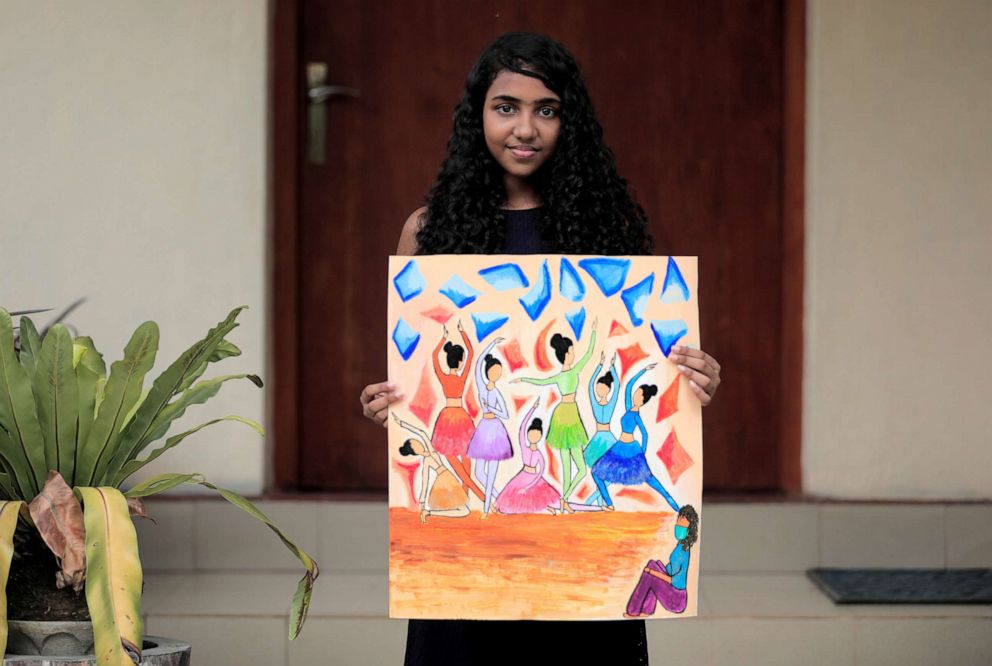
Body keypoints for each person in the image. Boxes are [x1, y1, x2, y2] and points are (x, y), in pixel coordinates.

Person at [357, 31, 722, 666]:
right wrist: (386, 401)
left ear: (568, 121)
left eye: (546, 110)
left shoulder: (608, 231)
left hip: (581, 581)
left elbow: (640, 365)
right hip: (465, 578)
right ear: (478, 117)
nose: (525, 128)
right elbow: (413, 373)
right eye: (506, 107)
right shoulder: (429, 230)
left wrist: (692, 378)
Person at [510, 324, 597, 513]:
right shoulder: (567, 374)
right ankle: (564, 502)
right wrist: (524, 380)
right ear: (566, 355)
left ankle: (564, 499)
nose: (574, 355)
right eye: (572, 352)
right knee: (568, 466)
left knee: (580, 468)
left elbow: (589, 353)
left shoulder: (567, 373)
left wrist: (594, 332)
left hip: (569, 414)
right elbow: (540, 381)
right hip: (565, 415)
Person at [591, 363, 681, 513]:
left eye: (639, 395)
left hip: (632, 450)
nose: (635, 395)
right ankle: (609, 504)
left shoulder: (636, 415)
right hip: (619, 447)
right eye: (636, 393)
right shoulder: (628, 407)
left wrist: (642, 453)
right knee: (596, 472)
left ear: (643, 400)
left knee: (653, 482)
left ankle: (678, 509)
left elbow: (645, 434)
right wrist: (643, 371)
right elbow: (628, 387)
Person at [494, 398, 604, 515]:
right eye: (532, 434)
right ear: (528, 434)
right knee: (510, 503)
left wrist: (530, 485)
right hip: (522, 477)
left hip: (535, 479)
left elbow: (540, 471)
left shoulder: (539, 455)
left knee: (538, 500)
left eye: (537, 435)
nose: (534, 436)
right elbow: (522, 427)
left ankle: (551, 508)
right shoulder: (524, 447)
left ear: (540, 436)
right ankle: (546, 508)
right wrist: (532, 409)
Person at [430, 320, 486, 502]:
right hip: (460, 416)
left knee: (456, 455)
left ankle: (468, 491)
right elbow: (471, 354)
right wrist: (463, 334)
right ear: (459, 362)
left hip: (448, 416)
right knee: (464, 454)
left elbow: (433, 356)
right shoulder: (461, 377)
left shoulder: (444, 377)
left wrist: (443, 339)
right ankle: (470, 492)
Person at [465, 338, 513, 518]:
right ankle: (499, 499)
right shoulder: (483, 387)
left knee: (491, 473)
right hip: (484, 428)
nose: (497, 374)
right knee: (479, 473)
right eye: (494, 371)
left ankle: (487, 510)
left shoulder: (496, 393)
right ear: (488, 372)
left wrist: (492, 408)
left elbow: (506, 414)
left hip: (495, 429)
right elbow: (478, 365)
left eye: (499, 371)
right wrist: (491, 344)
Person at [393, 413, 471, 522]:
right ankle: (429, 512)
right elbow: (425, 482)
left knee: (464, 509)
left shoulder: (430, 451)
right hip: (445, 480)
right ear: (414, 450)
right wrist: (422, 501)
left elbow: (421, 433)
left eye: (417, 441)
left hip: (448, 476)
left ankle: (429, 513)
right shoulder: (427, 460)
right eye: (415, 443)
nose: (419, 442)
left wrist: (402, 423)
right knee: (464, 510)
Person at [623, 504, 699, 616]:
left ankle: (633, 611)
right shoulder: (681, 545)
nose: (678, 524)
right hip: (674, 593)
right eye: (678, 520)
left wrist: (653, 572)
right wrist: (657, 568)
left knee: (651, 572)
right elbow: (671, 568)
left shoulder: (684, 551)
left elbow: (677, 581)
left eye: (682, 522)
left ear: (689, 529)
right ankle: (646, 610)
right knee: (653, 564)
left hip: (676, 600)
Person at [584, 351, 621, 506]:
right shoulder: (595, 402)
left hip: (608, 439)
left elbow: (617, 386)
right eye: (598, 388)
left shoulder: (611, 403)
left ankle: (594, 499)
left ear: (607, 389)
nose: (599, 391)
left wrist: (612, 367)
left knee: (610, 473)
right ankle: (599, 502)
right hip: (598, 439)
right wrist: (599, 365)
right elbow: (590, 385)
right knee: (598, 472)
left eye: (602, 388)